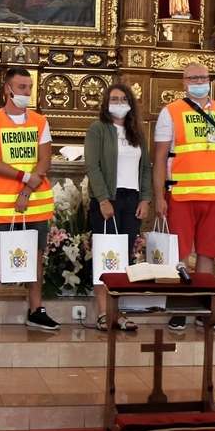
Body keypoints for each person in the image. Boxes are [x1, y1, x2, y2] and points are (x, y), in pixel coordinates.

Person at [0, 66, 58, 332]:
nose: (27, 92)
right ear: (7, 89)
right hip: (1, 202)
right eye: (22, 87)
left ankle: (36, 310)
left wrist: (26, 190)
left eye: (30, 87)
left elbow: (45, 160)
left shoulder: (40, 122)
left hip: (33, 202)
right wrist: (24, 177)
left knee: (35, 254)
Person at [154, 63, 215, 331]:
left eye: (203, 77)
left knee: (208, 254)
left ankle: (204, 310)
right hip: (180, 194)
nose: (199, 81)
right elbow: (159, 158)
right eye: (193, 78)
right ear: (184, 83)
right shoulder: (170, 112)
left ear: (209, 80)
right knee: (180, 255)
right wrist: (159, 196)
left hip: (214, 196)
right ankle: (179, 308)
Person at [85, 83, 152, 332]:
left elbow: (146, 168)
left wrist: (145, 198)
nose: (119, 103)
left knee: (124, 259)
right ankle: (104, 313)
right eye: (114, 99)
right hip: (107, 200)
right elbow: (92, 166)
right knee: (106, 257)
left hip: (132, 200)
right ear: (106, 103)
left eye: (124, 99)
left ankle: (119, 312)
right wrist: (103, 199)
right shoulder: (98, 129)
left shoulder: (137, 133)